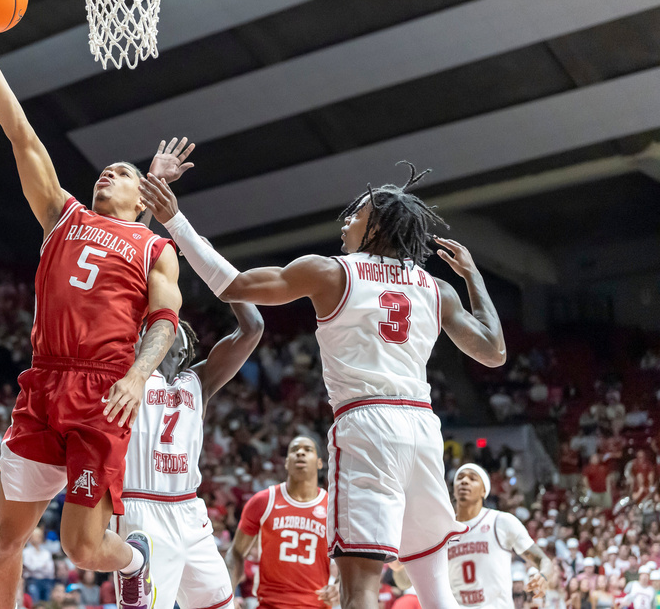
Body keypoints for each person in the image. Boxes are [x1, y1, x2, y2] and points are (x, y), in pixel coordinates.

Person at [140, 163, 508, 609]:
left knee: (359, 590)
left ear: (376, 226)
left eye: (355, 215)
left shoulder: (332, 272)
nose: (346, 222)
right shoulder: (436, 289)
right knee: (435, 590)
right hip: (424, 430)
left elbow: (233, 286)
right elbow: (493, 352)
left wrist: (176, 221)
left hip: (368, 425)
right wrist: (474, 278)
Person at [0, 2, 184, 609]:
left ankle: (135, 560)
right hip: (43, 384)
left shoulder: (155, 247)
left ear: (143, 199)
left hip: (103, 390)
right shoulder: (63, 216)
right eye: (106, 170)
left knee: (81, 549)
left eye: (124, 173)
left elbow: (164, 319)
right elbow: (21, 136)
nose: (109, 172)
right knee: (4, 544)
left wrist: (139, 375)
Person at [114, 297, 263, 609]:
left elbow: (253, 329)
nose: (152, 333)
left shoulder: (199, 381)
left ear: (181, 350)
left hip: (189, 511)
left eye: (164, 330)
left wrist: (215, 275)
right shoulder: (124, 373)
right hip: (141, 511)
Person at [227, 436, 336, 609]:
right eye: (294, 450)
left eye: (307, 450)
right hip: (270, 605)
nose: (300, 453)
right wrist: (228, 597)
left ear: (320, 463)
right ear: (286, 463)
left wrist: (339, 585)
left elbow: (349, 559)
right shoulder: (263, 501)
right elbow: (236, 552)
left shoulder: (332, 507)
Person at [447, 464, 551, 609]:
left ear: (484, 490)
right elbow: (404, 581)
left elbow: (543, 560)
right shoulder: (443, 530)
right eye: (460, 478)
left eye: (472, 478)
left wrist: (544, 575)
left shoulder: (501, 521)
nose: (464, 481)